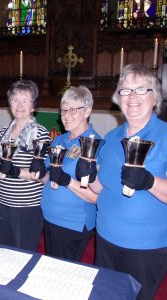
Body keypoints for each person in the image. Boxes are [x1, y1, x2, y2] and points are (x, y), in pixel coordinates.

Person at [78, 63, 167, 300]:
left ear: (155, 96)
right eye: (126, 90)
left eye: (141, 89)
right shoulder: (112, 137)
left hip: (145, 246)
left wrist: (150, 181)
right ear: (118, 97)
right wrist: (89, 174)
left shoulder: (165, 135)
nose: (132, 97)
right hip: (106, 238)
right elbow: (103, 188)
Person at [39, 86, 99, 261]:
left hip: (72, 222)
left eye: (73, 109)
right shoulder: (60, 139)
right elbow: (49, 178)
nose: (66, 115)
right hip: (50, 216)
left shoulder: (94, 144)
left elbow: (96, 196)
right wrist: (38, 171)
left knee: (64, 276)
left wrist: (67, 181)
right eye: (63, 110)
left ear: (87, 111)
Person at [0, 80, 50, 251]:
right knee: (7, 251)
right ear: (10, 104)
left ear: (33, 106)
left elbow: (40, 174)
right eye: (15, 99)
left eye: (25, 100)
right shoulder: (3, 132)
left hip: (26, 205)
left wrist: (14, 171)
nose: (19, 104)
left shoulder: (40, 133)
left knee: (24, 253)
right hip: (2, 201)